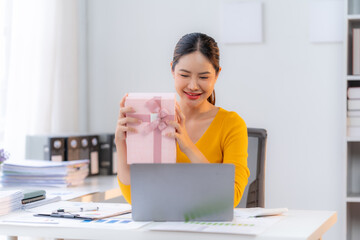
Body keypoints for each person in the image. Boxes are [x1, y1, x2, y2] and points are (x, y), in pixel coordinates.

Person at [115, 32, 249, 208]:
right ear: (172, 70)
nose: (193, 86)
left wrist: (187, 145)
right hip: (164, 226)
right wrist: (120, 142)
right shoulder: (155, 120)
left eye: (203, 77)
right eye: (184, 75)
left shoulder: (231, 124)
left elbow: (230, 199)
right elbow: (135, 197)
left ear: (217, 75)